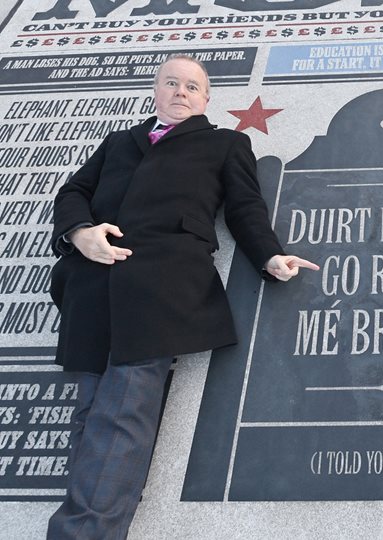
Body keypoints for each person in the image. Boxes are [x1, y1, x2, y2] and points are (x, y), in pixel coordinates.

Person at [47, 54, 318, 539]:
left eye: (192, 87)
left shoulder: (226, 143)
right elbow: (72, 193)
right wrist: (80, 232)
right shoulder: (117, 142)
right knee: (91, 416)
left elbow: (245, 206)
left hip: (161, 286)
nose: (181, 92)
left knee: (122, 412)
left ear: (206, 98)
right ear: (156, 90)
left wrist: (270, 256)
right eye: (171, 83)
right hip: (90, 289)